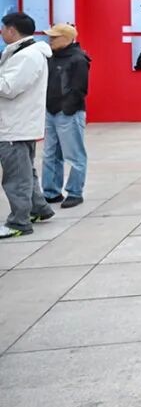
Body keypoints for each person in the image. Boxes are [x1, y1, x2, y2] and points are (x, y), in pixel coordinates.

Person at [0, 12, 55, 239]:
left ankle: (19, 222)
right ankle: (38, 209)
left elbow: (9, 88)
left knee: (16, 177)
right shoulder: (25, 53)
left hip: (14, 125)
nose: (1, 32)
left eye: (3, 28)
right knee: (24, 172)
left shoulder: (28, 56)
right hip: (17, 124)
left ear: (12, 30)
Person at [42, 23, 91, 208]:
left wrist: (67, 109)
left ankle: (75, 192)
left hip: (69, 113)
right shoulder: (51, 57)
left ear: (67, 38)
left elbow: (80, 89)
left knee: (74, 155)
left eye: (54, 37)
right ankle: (51, 192)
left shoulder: (78, 59)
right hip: (50, 111)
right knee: (50, 154)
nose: (50, 40)